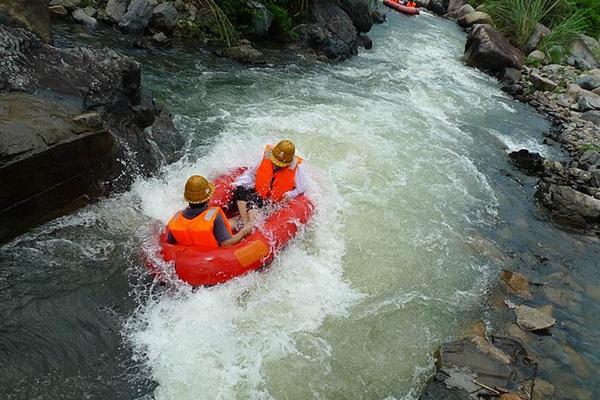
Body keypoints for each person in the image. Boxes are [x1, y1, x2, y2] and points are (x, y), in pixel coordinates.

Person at [166, 175, 253, 248]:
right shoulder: (213, 215)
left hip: (193, 258)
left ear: (187, 199)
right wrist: (244, 231)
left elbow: (170, 242)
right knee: (243, 225)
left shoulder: (176, 218)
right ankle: (243, 220)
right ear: (208, 198)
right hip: (215, 257)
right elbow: (226, 243)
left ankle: (240, 219)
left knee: (233, 222)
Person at [233, 139, 307, 225]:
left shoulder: (295, 168)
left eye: (280, 164)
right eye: (276, 162)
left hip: (272, 202)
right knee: (240, 190)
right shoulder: (267, 157)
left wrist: (290, 194)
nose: (277, 165)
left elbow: (303, 187)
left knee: (254, 202)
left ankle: (246, 224)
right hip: (260, 195)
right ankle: (244, 220)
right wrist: (239, 184)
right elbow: (251, 175)